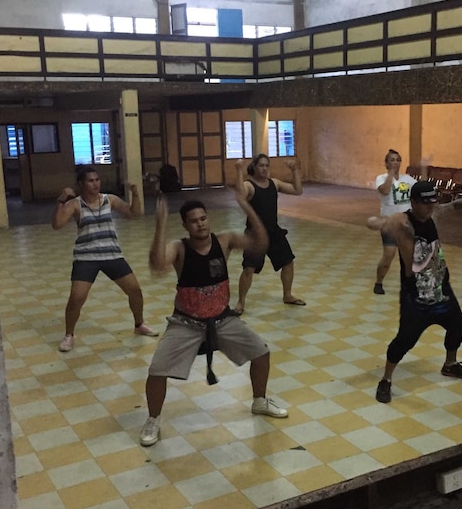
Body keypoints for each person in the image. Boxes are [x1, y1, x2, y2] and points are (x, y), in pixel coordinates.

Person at [139, 185, 288, 447]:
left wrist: (247, 207)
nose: (200, 225)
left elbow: (260, 243)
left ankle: (259, 401)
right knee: (157, 371)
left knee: (262, 353)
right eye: (193, 221)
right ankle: (153, 419)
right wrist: (160, 225)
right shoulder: (180, 247)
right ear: (185, 225)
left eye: (203, 218)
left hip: (222, 319)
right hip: (186, 323)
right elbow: (158, 266)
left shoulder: (224, 240)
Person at [368, 180, 462, 404]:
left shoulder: (433, 214)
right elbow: (373, 222)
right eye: (425, 203)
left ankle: (450, 364)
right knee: (404, 340)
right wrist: (384, 223)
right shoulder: (402, 222)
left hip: (440, 289)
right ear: (414, 202)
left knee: (458, 324)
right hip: (415, 295)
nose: (430, 207)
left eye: (433, 202)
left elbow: (452, 207)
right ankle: (386, 380)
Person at [51, 167, 157, 352]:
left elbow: (134, 214)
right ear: (81, 184)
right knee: (77, 298)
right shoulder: (75, 204)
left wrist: (135, 193)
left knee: (135, 291)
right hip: (86, 256)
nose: (95, 184)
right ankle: (69, 335)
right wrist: (61, 199)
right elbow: (57, 224)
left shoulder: (110, 200)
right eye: (91, 181)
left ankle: (139, 324)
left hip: (112, 254)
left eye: (97, 180)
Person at [233, 154, 304, 314]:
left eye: (267, 165)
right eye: (261, 165)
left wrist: (295, 171)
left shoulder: (275, 183)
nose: (264, 168)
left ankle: (287, 295)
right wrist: (238, 170)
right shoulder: (249, 185)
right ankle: (240, 302)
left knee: (288, 263)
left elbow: (297, 190)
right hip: (255, 235)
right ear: (255, 167)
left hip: (274, 232)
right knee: (249, 269)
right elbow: (241, 194)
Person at [374, 149, 418, 295]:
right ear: (386, 163)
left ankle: (408, 286)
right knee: (388, 255)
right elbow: (385, 191)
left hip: (406, 224)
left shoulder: (408, 179)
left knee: (408, 258)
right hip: (389, 224)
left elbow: (419, 192)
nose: (395, 162)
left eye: (398, 160)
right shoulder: (381, 178)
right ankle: (379, 282)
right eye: (392, 160)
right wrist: (391, 174)